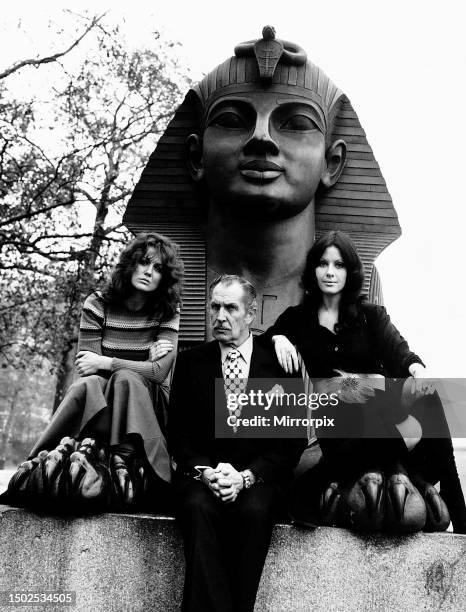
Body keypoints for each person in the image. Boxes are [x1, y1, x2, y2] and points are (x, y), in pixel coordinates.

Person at [124, 26, 401, 338]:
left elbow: (373, 386)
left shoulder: (358, 290)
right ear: (196, 156)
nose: (261, 137)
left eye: (297, 123)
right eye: (231, 120)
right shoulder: (149, 278)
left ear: (332, 163)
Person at [262, 230, 466, 534]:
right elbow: (264, 346)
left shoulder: (370, 314)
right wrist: (278, 338)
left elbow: (400, 351)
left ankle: (456, 506)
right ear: (313, 269)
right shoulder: (297, 319)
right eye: (323, 264)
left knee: (432, 397)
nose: (330, 272)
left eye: (339, 265)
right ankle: (397, 460)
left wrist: (416, 370)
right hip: (337, 420)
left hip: (377, 413)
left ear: (351, 271)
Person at [6, 232, 183, 511]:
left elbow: (158, 374)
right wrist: (137, 365)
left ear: (165, 278)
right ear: (130, 264)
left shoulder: (167, 312)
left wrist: (108, 362)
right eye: (144, 262)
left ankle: (125, 460)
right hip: (103, 398)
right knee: (86, 385)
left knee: (126, 379)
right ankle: (42, 458)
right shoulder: (98, 304)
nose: (149, 272)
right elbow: (87, 368)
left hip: (147, 405)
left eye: (158, 268)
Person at [168, 274, 306, 612]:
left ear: (251, 314)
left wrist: (246, 477)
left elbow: (291, 441)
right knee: (199, 508)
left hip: (259, 481)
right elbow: (178, 436)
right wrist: (205, 473)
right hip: (203, 479)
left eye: (231, 308)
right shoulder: (189, 363)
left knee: (254, 511)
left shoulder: (278, 366)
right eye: (214, 306)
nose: (220, 316)